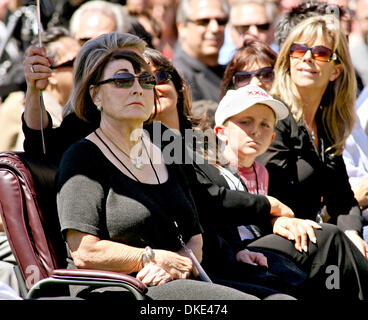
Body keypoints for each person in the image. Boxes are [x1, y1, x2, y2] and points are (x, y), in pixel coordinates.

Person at [54, 33, 283, 300]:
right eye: (122, 81)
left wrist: (178, 264)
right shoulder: (83, 156)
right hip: (120, 288)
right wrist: (151, 258)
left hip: (176, 279)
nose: (138, 89)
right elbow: (85, 252)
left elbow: (194, 236)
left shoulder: (164, 145)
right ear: (96, 95)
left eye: (146, 80)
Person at [197, 84, 368, 300]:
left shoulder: (263, 171)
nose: (256, 130)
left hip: (261, 247)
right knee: (329, 236)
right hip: (233, 254)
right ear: (221, 133)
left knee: (325, 250)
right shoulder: (211, 169)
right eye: (245, 122)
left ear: (271, 138)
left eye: (265, 124)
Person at [257, 14, 368, 258]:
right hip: (274, 237)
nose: (307, 57)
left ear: (335, 71)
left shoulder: (326, 124)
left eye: (320, 53)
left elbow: (342, 198)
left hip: (310, 236)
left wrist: (353, 234)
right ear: (289, 59)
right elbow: (263, 193)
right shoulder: (274, 114)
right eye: (299, 50)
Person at [174, 0, 229, 101]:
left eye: (221, 21)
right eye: (204, 21)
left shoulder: (230, 73)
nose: (215, 28)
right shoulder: (177, 76)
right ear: (182, 27)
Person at [219, 0, 277, 65]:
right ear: (230, 30)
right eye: (244, 27)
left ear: (273, 29)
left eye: (262, 26)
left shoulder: (286, 72)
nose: (254, 32)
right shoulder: (219, 72)